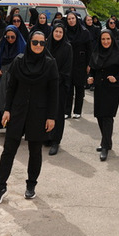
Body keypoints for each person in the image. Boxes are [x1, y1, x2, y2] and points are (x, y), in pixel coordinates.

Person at [0, 30, 59, 204]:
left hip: (39, 114)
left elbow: (54, 93)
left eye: (42, 43)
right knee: (8, 150)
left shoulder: (50, 64)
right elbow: (11, 87)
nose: (38, 46)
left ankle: (31, 185)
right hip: (17, 112)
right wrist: (7, 110)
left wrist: (51, 117)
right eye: (35, 42)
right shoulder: (19, 61)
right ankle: (0, 187)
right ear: (29, 43)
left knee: (35, 151)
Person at [88, 29, 119, 161]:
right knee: (99, 116)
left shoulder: (118, 53)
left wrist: (117, 78)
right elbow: (92, 69)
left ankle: (105, 145)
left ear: (112, 40)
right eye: (103, 39)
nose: (105, 41)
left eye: (108, 39)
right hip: (99, 88)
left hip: (112, 90)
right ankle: (107, 142)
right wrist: (90, 77)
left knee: (107, 117)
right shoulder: (96, 52)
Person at [0, 25, 26, 136]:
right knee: (2, 102)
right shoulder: (3, 46)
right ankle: (5, 125)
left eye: (13, 37)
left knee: (15, 104)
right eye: (8, 37)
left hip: (16, 80)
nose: (10, 39)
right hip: (3, 77)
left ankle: (15, 128)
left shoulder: (22, 47)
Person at [45, 22, 72, 155]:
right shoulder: (46, 44)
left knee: (58, 113)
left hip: (59, 85)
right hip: (45, 84)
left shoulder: (67, 47)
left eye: (60, 32)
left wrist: (55, 80)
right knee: (46, 111)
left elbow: (67, 68)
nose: (58, 34)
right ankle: (47, 136)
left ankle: (56, 140)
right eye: (56, 31)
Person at [64, 12, 91, 119]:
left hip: (81, 63)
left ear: (76, 19)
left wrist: (89, 64)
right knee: (68, 89)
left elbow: (89, 50)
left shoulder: (84, 32)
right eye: (69, 19)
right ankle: (67, 111)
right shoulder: (65, 31)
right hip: (68, 63)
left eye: (73, 18)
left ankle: (77, 111)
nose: (71, 21)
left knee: (79, 88)